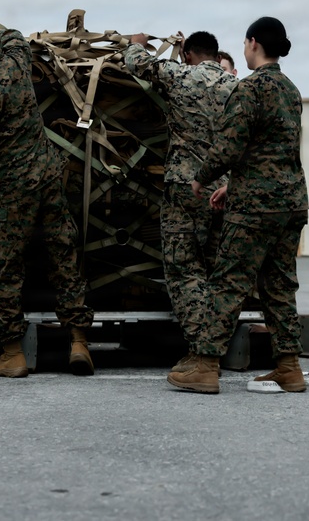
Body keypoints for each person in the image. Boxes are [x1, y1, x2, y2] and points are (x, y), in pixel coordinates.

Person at [168, 17, 308, 394]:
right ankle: (289, 367)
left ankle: (205, 364)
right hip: (291, 201)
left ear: (252, 43)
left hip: (255, 207)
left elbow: (230, 144)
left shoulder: (251, 89)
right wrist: (234, 184)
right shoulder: (290, 89)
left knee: (227, 281)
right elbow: (274, 149)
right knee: (279, 284)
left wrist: (202, 176)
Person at [0, 20, 94, 378]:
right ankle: (78, 342)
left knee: (5, 268)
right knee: (64, 256)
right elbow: (15, 35)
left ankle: (12, 354)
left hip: (8, 189)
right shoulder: (17, 60)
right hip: (47, 177)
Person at [123, 31, 237, 370]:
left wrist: (137, 41)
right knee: (219, 271)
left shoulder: (181, 75)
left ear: (186, 54)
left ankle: (202, 354)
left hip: (188, 188)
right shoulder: (238, 87)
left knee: (184, 269)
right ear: (218, 57)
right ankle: (218, 344)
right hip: (228, 190)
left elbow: (137, 63)